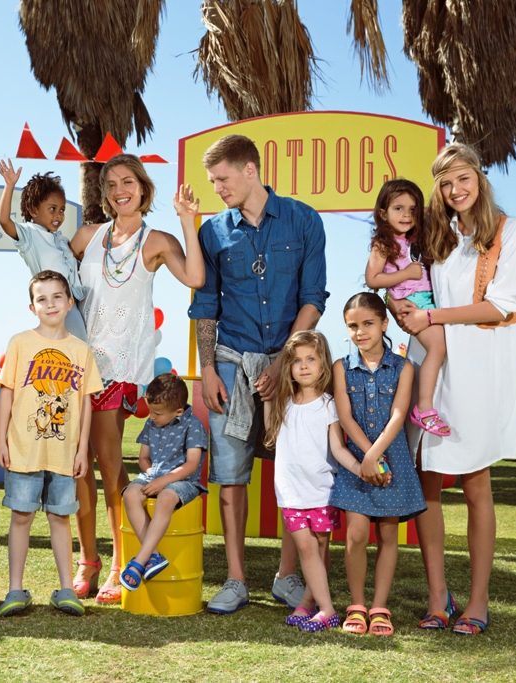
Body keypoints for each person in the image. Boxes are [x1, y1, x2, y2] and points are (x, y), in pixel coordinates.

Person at [393, 143, 516, 636]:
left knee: (475, 482)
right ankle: (438, 597)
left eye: (462, 179)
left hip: (480, 366)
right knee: (426, 479)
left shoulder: (510, 232)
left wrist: (433, 317)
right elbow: (406, 285)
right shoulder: (437, 234)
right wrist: (404, 313)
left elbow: (501, 305)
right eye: (446, 183)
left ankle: (477, 601)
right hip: (431, 361)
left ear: (479, 178)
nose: (455, 190)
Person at [189, 134, 328, 614]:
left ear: (250, 170)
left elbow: (313, 298)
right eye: (213, 182)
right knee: (230, 476)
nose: (217, 189)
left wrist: (283, 361)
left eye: (222, 179)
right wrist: (207, 369)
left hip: (291, 365)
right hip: (230, 361)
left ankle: (287, 576)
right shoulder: (212, 233)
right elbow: (205, 306)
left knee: (296, 472)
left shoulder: (304, 219)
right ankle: (235, 580)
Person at [70, 154, 205, 603]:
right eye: (110, 184)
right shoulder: (87, 237)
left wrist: (188, 221)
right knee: (76, 468)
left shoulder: (156, 240)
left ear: (143, 188)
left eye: (128, 182)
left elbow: (195, 277)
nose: (119, 190)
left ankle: (119, 562)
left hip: (120, 369)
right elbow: (50, 268)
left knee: (110, 465)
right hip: (78, 366)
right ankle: (87, 560)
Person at [0, 271, 101, 617]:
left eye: (57, 297)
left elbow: (86, 404)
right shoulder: (20, 343)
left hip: (64, 452)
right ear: (32, 307)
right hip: (23, 449)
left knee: (60, 517)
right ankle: (15, 589)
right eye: (42, 298)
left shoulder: (81, 351)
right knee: (21, 516)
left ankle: (66, 589)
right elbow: (7, 394)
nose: (50, 304)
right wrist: (1, 440)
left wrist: (82, 449)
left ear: (69, 303)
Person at [329, 292, 426, 636]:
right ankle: (357, 605)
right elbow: (345, 416)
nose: (360, 332)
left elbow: (399, 414)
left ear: (384, 324)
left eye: (368, 323)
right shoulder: (341, 367)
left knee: (388, 533)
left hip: (393, 460)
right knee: (356, 534)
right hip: (356, 462)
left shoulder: (403, 368)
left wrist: (376, 455)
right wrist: (366, 456)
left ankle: (380, 607)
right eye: (352, 326)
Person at [263, 331, 360, 632]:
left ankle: (309, 603)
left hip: (320, 491)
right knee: (306, 548)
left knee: (318, 549)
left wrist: (360, 468)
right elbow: (271, 435)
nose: (303, 366)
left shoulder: (330, 405)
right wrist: (267, 401)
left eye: (311, 359)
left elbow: (338, 449)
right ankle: (327, 609)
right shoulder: (283, 403)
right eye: (296, 361)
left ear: (322, 364)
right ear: (289, 367)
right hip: (291, 492)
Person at [365, 179, 450, 437]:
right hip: (412, 301)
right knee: (438, 348)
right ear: (383, 213)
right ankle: (423, 408)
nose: (406, 215)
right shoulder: (383, 243)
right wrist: (406, 274)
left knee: (441, 348)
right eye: (398, 208)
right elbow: (372, 279)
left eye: (412, 209)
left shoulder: (416, 239)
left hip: (428, 299)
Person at [119, 373, 207, 591]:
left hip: (183, 481)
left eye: (157, 413)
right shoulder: (151, 423)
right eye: (150, 411)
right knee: (130, 494)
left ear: (178, 411)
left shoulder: (193, 425)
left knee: (166, 497)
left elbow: (191, 464)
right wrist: (152, 474)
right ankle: (154, 556)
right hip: (154, 475)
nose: (151, 417)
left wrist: (164, 481)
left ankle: (140, 561)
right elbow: (143, 459)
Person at [0, 159, 87, 339]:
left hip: (73, 304)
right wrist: (9, 185)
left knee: (80, 347)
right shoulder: (29, 235)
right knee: (72, 348)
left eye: (62, 210)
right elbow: (4, 221)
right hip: (54, 306)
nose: (58, 215)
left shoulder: (61, 240)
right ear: (33, 210)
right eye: (52, 209)